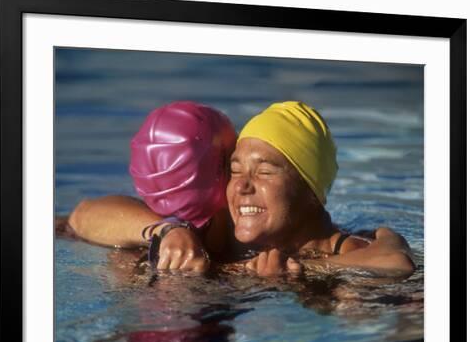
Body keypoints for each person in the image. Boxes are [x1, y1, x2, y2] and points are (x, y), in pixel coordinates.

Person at [66, 101, 415, 278]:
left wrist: (303, 272)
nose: (243, 185)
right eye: (234, 169)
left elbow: (395, 263)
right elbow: (81, 217)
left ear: (310, 187)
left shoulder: (348, 250)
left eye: (264, 170)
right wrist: (165, 229)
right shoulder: (220, 234)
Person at [63, 101, 236, 272]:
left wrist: (166, 229)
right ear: (227, 168)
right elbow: (82, 215)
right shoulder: (249, 252)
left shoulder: (138, 243)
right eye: (237, 162)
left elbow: (78, 216)